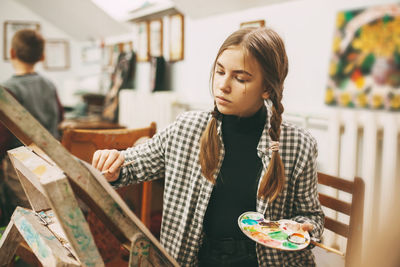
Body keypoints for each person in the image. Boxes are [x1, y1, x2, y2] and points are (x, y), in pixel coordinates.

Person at [92, 26, 324, 266]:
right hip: (197, 260)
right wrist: (114, 162)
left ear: (267, 88)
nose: (222, 85)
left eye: (240, 78)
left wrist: (304, 227)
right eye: (220, 71)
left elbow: (312, 216)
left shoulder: (298, 145)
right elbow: (132, 164)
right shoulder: (188, 129)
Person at [0, 29, 64, 225]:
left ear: (11, 53)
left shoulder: (7, 90)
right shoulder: (49, 85)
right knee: (52, 218)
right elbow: (60, 117)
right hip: (52, 163)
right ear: (42, 56)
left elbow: (2, 137)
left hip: (22, 168)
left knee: (32, 220)